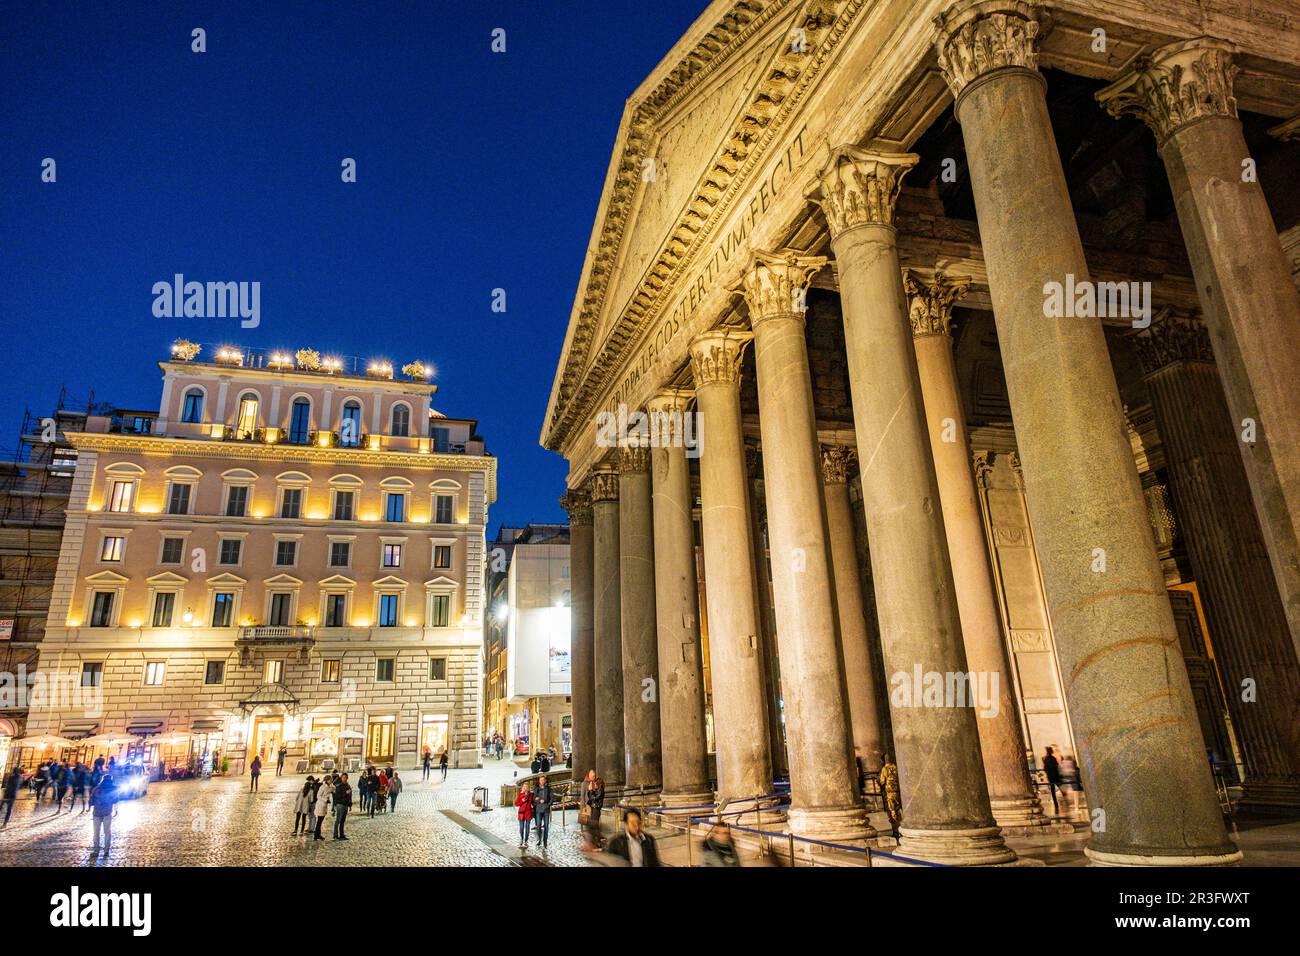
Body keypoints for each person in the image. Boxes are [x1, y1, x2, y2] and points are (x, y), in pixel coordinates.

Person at [89, 771, 118, 855]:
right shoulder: (113, 788)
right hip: (107, 812)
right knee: (107, 832)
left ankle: (96, 850)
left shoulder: (97, 788)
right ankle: (106, 850)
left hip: (97, 812)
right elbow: (116, 800)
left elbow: (91, 801)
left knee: (96, 832)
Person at [879, 754, 902, 839]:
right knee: (898, 810)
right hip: (897, 791)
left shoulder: (884, 769)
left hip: (889, 793)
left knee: (892, 811)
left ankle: (896, 831)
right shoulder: (895, 767)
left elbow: (882, 781)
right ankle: (902, 827)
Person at [533, 774, 554, 849]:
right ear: (539, 781)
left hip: (546, 810)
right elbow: (534, 799)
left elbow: (552, 799)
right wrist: (539, 800)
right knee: (538, 825)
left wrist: (546, 804)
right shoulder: (537, 789)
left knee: (546, 826)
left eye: (543, 780)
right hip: (538, 809)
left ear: (545, 781)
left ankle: (545, 841)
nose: (542, 781)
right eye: (540, 780)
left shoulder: (549, 789)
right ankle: (539, 839)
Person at [514, 781, 535, 849]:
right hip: (521, 813)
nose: (525, 788)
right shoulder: (520, 795)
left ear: (528, 788)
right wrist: (522, 801)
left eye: (527, 787)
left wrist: (533, 805)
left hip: (528, 813)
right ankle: (521, 840)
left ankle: (526, 841)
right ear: (522, 787)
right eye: (524, 787)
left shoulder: (531, 794)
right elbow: (516, 804)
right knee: (521, 827)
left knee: (527, 828)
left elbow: (534, 802)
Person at [1042, 746, 1062, 815]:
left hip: (1050, 776)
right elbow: (1056, 766)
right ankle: (1063, 799)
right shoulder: (1053, 758)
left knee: (1052, 790)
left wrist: (1047, 773)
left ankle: (1055, 802)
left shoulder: (1045, 759)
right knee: (1060, 786)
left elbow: (1045, 768)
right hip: (1055, 775)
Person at [332, 772, 352, 840]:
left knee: (343, 821)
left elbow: (349, 796)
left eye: (345, 777)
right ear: (341, 778)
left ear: (347, 778)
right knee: (338, 820)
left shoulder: (348, 785)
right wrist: (345, 793)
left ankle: (342, 835)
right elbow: (337, 796)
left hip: (346, 804)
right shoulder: (339, 786)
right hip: (340, 804)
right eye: (343, 777)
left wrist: (350, 804)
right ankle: (335, 835)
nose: (344, 779)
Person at [313, 774, 331, 840]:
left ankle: (318, 834)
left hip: (324, 806)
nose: (331, 781)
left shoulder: (328, 786)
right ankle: (316, 835)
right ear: (327, 780)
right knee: (319, 821)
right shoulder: (322, 787)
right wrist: (325, 800)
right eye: (330, 780)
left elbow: (333, 789)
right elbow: (318, 796)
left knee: (320, 821)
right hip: (320, 805)